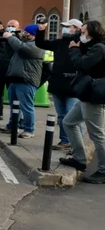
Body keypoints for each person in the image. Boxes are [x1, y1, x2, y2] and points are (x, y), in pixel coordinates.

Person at [60, 21, 105, 184]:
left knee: (97, 134)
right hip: (86, 93)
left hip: (94, 95)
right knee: (69, 122)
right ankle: (79, 159)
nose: (81, 35)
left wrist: (74, 49)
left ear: (92, 33)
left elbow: (83, 64)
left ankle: (103, 170)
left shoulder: (99, 48)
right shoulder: (93, 46)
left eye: (83, 32)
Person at [36, 19, 81, 150]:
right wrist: (41, 30)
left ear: (77, 29)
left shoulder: (81, 44)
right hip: (57, 85)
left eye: (68, 27)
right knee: (61, 116)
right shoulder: (59, 43)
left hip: (73, 86)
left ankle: (76, 145)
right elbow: (40, 43)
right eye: (63, 27)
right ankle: (65, 141)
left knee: (71, 117)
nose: (64, 29)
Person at [0, 24, 44, 138]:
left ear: (34, 35)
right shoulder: (25, 43)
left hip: (27, 80)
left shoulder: (37, 45)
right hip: (15, 79)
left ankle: (29, 129)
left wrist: (10, 37)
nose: (25, 34)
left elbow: (22, 49)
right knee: (14, 106)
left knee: (26, 107)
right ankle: (12, 126)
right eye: (24, 32)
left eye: (27, 33)